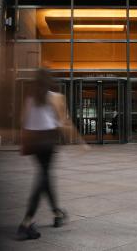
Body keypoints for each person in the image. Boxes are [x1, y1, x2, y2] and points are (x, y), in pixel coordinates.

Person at [17, 70, 88, 240]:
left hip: (33, 141)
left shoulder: (29, 98)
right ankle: (26, 222)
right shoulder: (56, 97)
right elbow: (65, 123)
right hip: (47, 140)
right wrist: (80, 142)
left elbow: (23, 121)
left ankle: (57, 213)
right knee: (42, 178)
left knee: (44, 176)